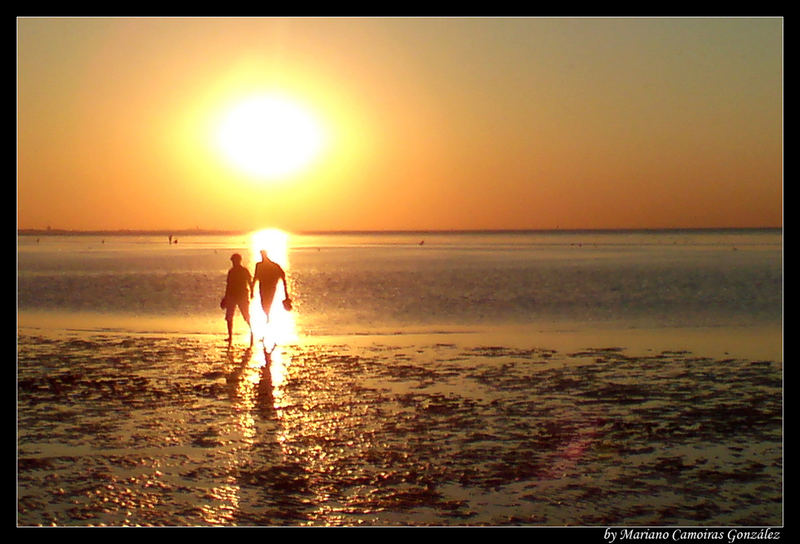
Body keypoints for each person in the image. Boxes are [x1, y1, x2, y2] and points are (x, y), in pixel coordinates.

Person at [251, 249, 291, 322]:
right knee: (263, 302)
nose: (262, 257)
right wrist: (252, 290)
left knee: (268, 301)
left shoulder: (274, 265)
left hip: (271, 286)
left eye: (263, 255)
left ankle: (267, 316)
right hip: (262, 286)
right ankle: (267, 315)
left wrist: (286, 294)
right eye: (262, 255)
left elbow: (283, 277)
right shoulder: (259, 265)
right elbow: (255, 277)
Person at [222, 253, 253, 345]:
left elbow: (250, 282)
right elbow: (229, 285)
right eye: (232, 261)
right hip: (232, 295)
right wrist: (225, 298)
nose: (233, 262)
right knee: (229, 317)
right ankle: (230, 336)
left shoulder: (244, 271)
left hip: (242, 295)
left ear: (238, 261)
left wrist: (252, 293)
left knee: (246, 315)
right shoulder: (231, 271)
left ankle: (252, 333)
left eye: (234, 260)